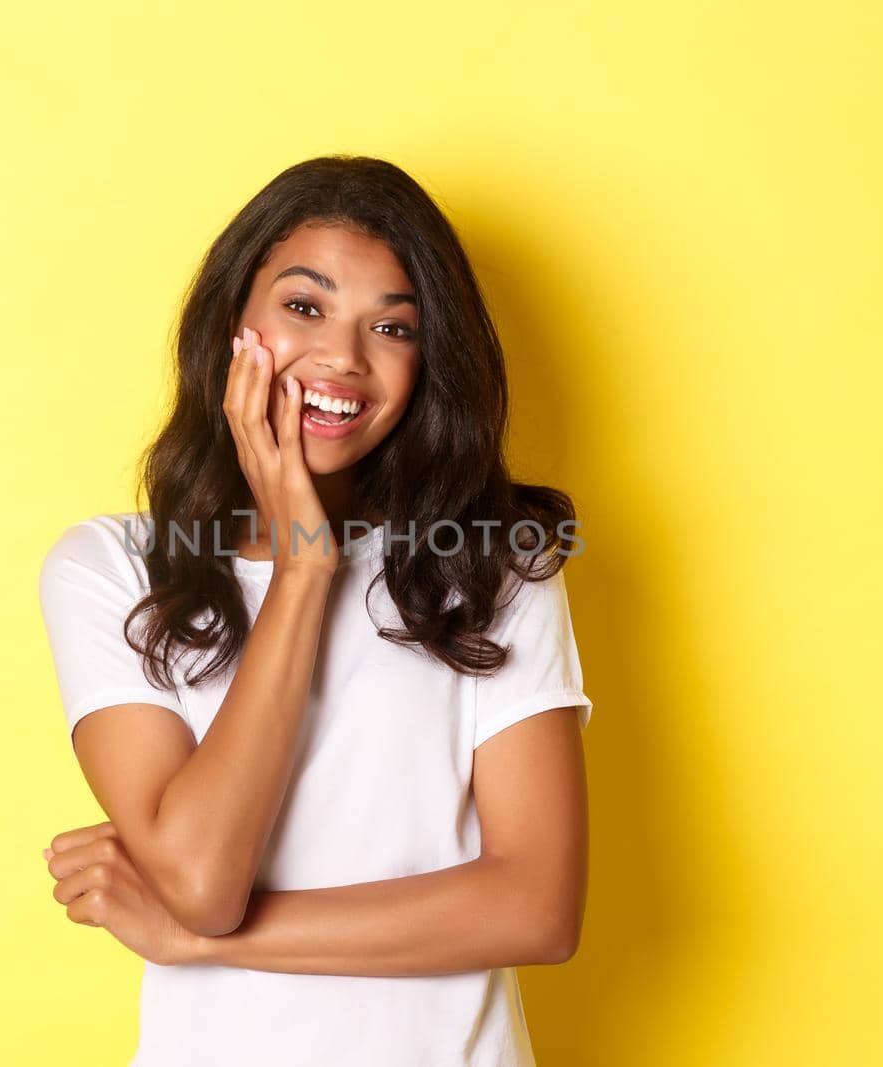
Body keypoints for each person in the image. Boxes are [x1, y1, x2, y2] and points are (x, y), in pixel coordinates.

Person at [36, 154, 593, 1067]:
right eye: (305, 306)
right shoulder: (111, 569)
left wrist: (202, 941)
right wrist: (303, 569)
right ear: (232, 325)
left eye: (392, 325)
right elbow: (204, 879)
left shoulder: (497, 563)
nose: (344, 357)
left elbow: (537, 905)